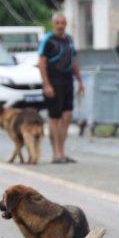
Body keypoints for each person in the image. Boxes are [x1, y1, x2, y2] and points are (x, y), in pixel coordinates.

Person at [38, 12, 85, 163]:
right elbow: (42, 62)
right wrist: (46, 84)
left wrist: (80, 81)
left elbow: (74, 61)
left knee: (67, 117)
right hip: (53, 81)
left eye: (63, 23)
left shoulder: (69, 40)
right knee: (55, 118)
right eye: (57, 23)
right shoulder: (48, 40)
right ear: (53, 24)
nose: (60, 26)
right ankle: (55, 153)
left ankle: (62, 152)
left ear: (66, 24)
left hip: (67, 81)